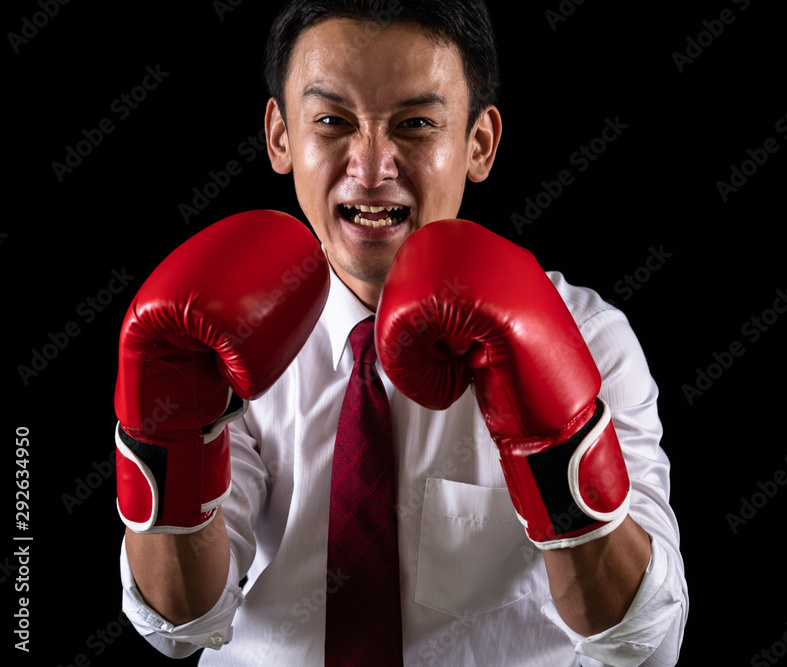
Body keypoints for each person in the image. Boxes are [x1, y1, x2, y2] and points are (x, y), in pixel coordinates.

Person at [115, 1, 689, 665]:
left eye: (415, 124)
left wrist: (556, 448)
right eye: (332, 121)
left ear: (479, 143)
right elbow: (177, 624)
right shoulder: (213, 332)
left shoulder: (585, 337)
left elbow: (646, 642)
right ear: (279, 137)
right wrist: (168, 434)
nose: (370, 167)